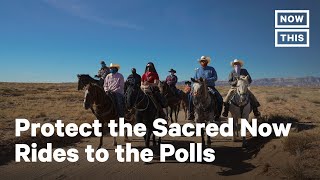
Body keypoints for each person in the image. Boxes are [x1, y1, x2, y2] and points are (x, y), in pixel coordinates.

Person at [188, 56, 223, 121]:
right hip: (198, 88)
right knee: (190, 97)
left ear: (207, 62)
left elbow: (215, 77)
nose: (203, 62)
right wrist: (192, 89)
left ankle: (217, 115)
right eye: (202, 61)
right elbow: (194, 80)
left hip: (209, 87)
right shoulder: (197, 70)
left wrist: (206, 80)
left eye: (204, 61)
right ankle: (191, 113)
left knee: (219, 98)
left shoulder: (211, 69)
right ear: (200, 62)